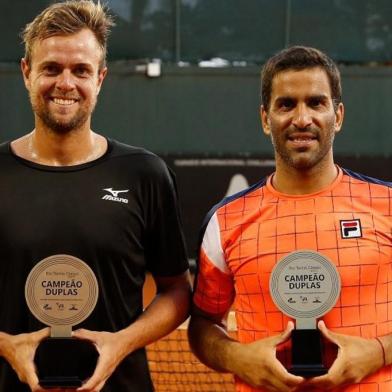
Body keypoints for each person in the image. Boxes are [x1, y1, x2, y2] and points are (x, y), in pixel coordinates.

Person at [0, 1, 191, 391]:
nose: (65, 84)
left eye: (81, 70)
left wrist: (122, 342)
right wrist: (6, 346)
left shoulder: (145, 174)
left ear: (100, 78)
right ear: (26, 73)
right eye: (51, 68)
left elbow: (176, 290)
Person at [188, 46, 392, 392]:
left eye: (316, 102)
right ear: (266, 118)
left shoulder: (387, 204)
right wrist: (236, 357)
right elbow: (204, 323)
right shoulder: (226, 220)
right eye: (286, 104)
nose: (302, 119)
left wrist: (378, 352)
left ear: (338, 116)